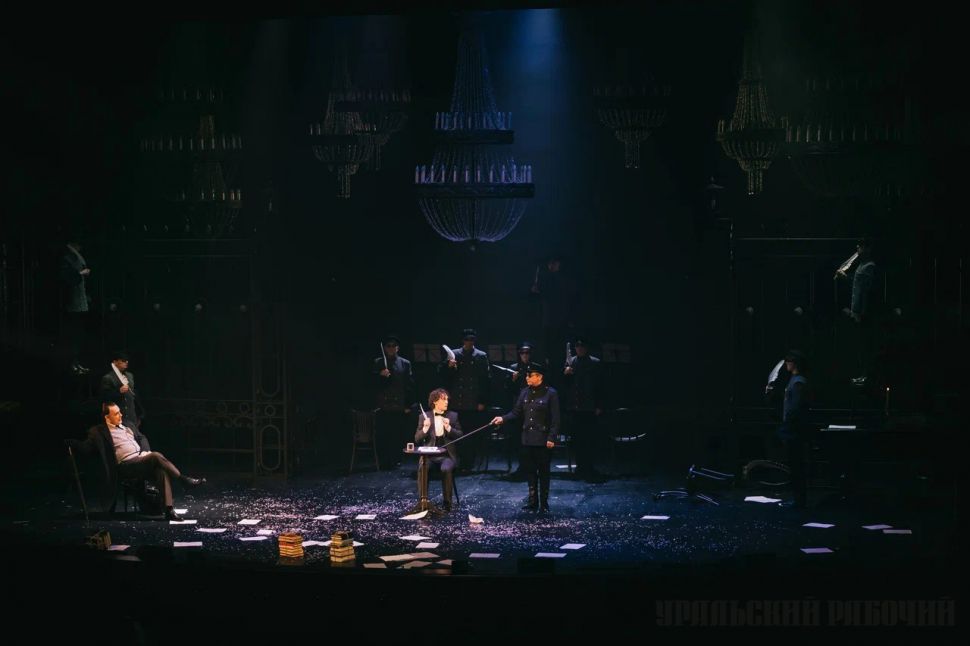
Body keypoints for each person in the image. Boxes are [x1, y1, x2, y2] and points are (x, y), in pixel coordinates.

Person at [67, 402, 205, 520]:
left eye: (120, 412)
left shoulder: (128, 425)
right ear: (107, 417)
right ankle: (183, 480)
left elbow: (142, 437)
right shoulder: (98, 432)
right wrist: (73, 443)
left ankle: (169, 510)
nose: (121, 415)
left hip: (140, 459)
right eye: (116, 414)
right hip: (125, 465)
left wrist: (145, 452)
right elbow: (86, 448)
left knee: (160, 470)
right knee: (156, 456)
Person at [491, 363, 561, 513]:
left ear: (539, 377)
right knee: (530, 471)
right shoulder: (524, 392)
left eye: (530, 375)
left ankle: (544, 504)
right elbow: (516, 412)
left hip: (543, 440)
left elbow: (555, 419)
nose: (527, 378)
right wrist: (502, 418)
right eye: (527, 375)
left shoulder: (551, 393)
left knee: (543, 472)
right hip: (527, 438)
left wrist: (551, 437)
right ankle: (532, 501)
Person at [438, 328, 490, 469]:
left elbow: (485, 380)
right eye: (467, 339)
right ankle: (456, 460)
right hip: (456, 400)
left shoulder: (481, 355)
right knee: (455, 432)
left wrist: (482, 401)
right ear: (463, 341)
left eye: (472, 339)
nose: (469, 342)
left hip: (472, 400)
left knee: (470, 432)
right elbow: (442, 375)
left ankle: (469, 462)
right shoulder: (454, 354)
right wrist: (449, 366)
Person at [563, 338, 605, 481]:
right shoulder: (571, 362)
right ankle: (580, 467)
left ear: (586, 348)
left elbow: (601, 386)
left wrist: (599, 405)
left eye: (582, 346)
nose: (579, 348)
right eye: (577, 346)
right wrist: (566, 373)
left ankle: (589, 467)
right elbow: (565, 386)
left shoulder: (595, 362)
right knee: (577, 439)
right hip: (575, 407)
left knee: (589, 439)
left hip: (589, 407)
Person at [414, 389, 462, 512]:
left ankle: (447, 504)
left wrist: (449, 428)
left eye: (447, 399)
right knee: (422, 467)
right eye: (443, 399)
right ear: (435, 401)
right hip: (429, 456)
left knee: (446, 469)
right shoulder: (424, 417)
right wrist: (425, 428)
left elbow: (460, 435)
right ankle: (423, 502)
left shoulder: (453, 416)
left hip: (447, 455)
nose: (447, 402)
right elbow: (417, 439)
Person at [838, 238, 877, 385]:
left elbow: (865, 291)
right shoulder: (861, 265)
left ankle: (866, 376)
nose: (858, 249)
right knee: (860, 345)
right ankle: (863, 374)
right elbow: (856, 285)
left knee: (865, 346)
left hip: (863, 314)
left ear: (867, 249)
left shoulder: (869, 266)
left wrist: (860, 313)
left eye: (860, 247)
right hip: (857, 313)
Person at [777, 350, 813, 508]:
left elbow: (795, 407)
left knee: (797, 466)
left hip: (795, 431)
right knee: (795, 466)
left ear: (794, 363)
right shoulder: (795, 380)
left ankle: (799, 501)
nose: (786, 364)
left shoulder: (798, 382)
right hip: (793, 429)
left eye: (788, 361)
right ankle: (798, 499)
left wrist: (787, 426)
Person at [373, 335, 414, 467]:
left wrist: (408, 405)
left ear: (397, 348)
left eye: (393, 346)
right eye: (388, 346)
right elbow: (371, 383)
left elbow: (409, 385)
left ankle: (396, 459)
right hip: (383, 404)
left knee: (397, 433)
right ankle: (384, 461)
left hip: (398, 404)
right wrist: (380, 375)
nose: (391, 348)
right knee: (383, 433)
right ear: (385, 348)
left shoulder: (405, 363)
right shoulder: (378, 362)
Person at [58, 239, 92, 375]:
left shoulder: (75, 258)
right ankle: (72, 363)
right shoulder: (68, 258)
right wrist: (80, 274)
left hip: (78, 299)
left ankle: (76, 362)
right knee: (73, 334)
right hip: (72, 301)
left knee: (78, 334)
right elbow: (65, 278)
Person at [100, 351, 143, 428]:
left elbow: (133, 396)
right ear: (115, 362)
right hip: (118, 416)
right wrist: (119, 391)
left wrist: (139, 414)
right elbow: (105, 397)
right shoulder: (108, 378)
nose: (126, 362)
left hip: (132, 416)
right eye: (123, 360)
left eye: (127, 360)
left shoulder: (130, 375)